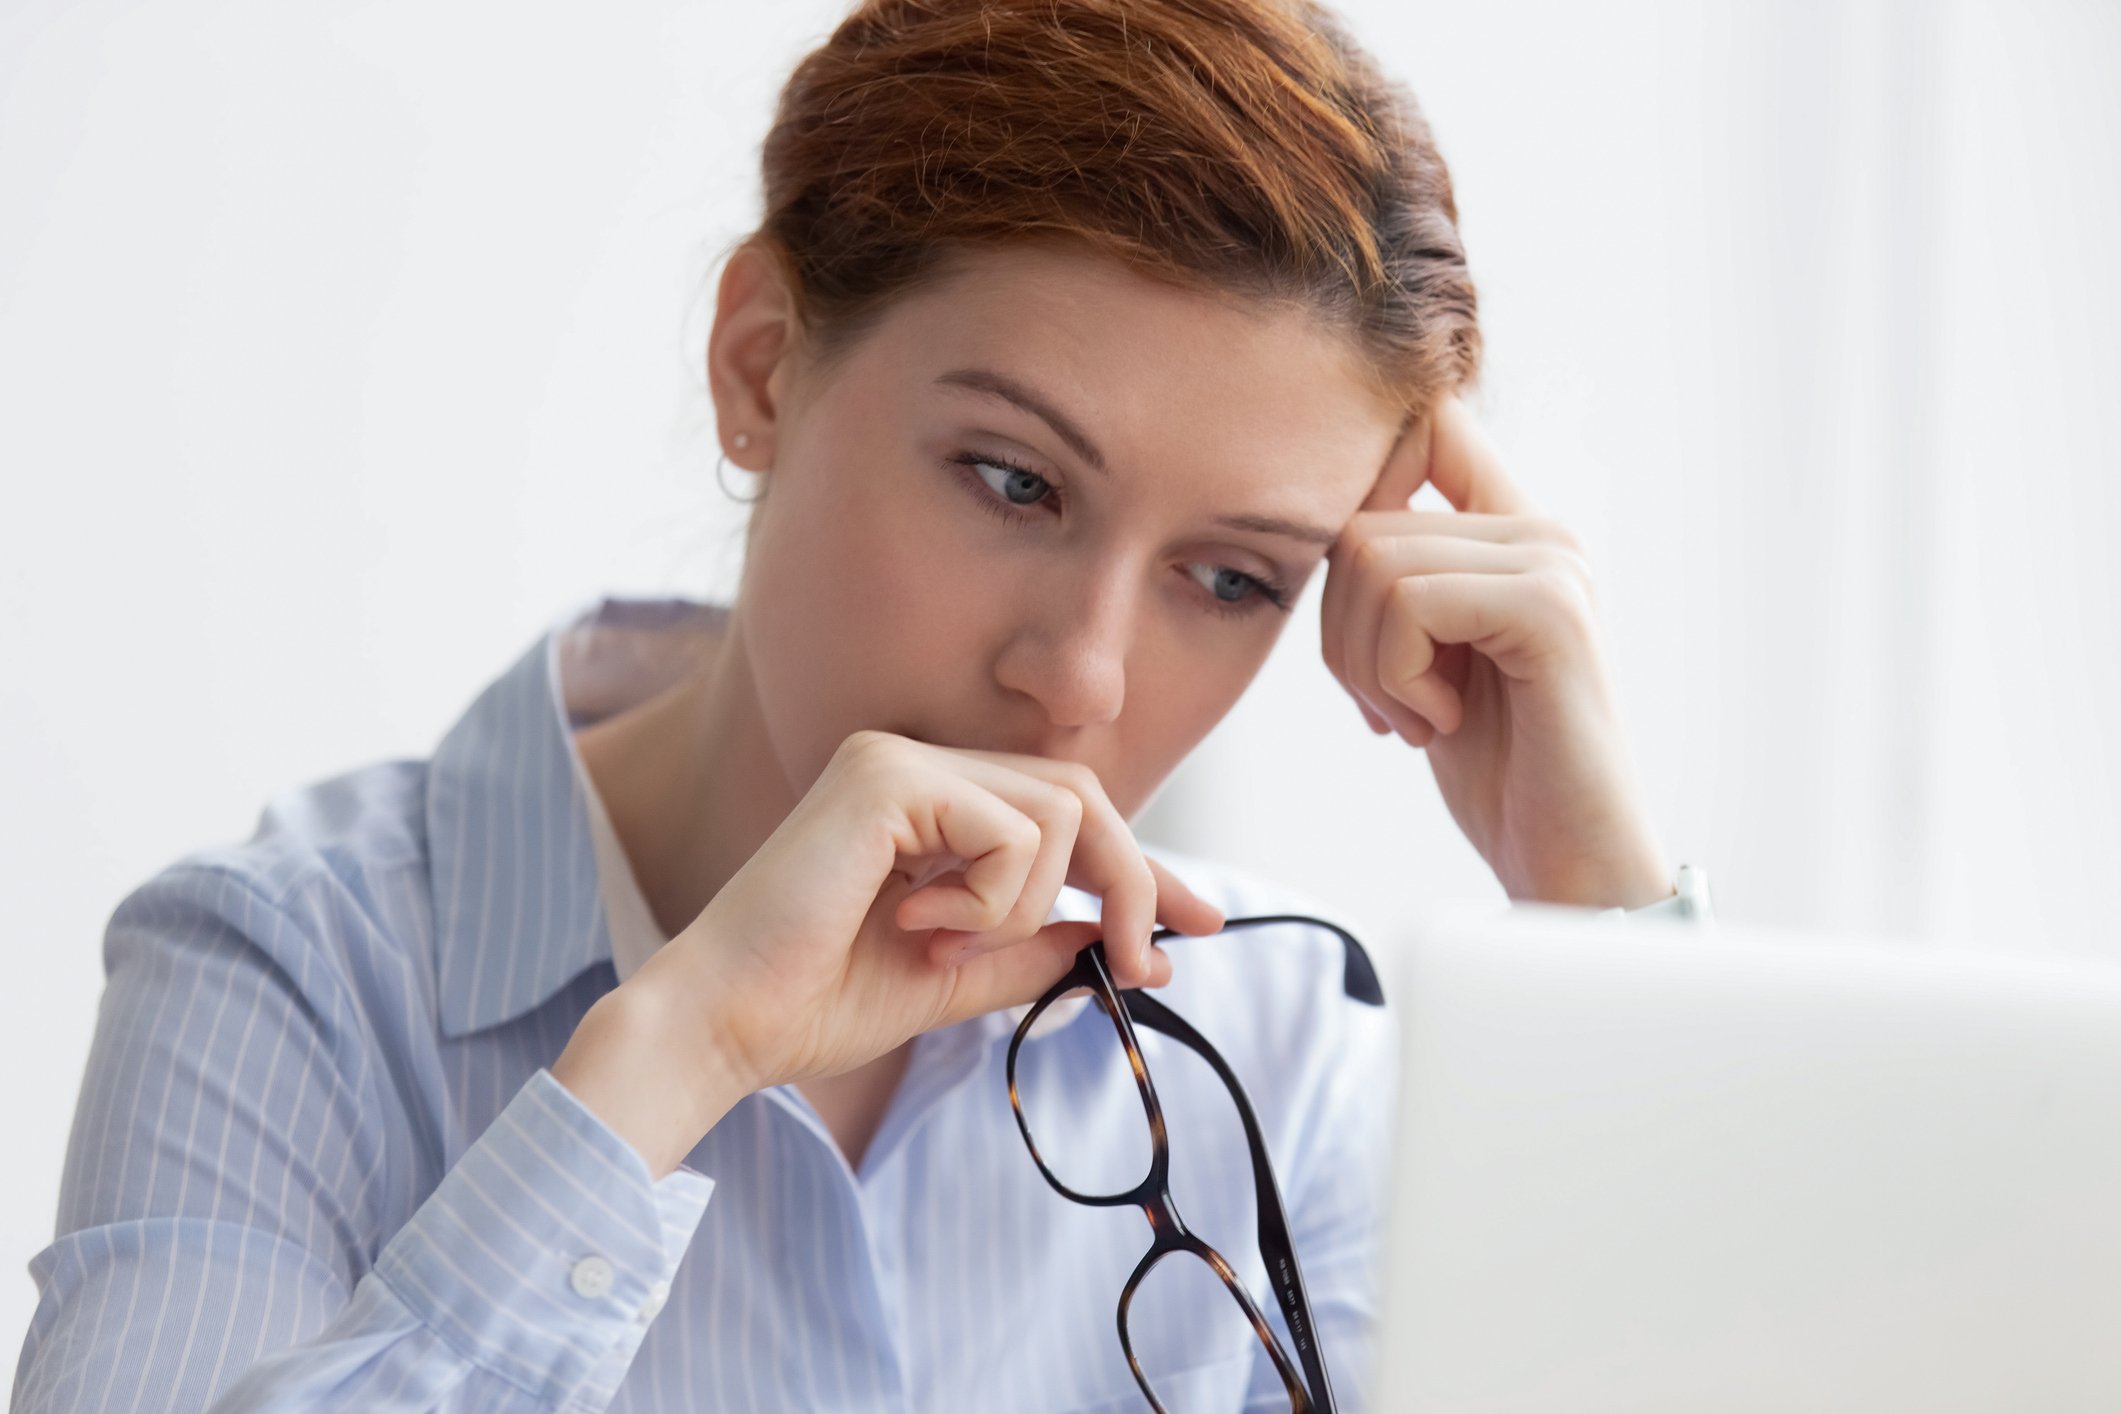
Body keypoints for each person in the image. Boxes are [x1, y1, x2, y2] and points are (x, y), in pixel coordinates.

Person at [11, 0, 1705, 1409]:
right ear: (761, 365)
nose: (1083, 673)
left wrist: (1592, 904)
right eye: (1012, 480)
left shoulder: (1276, 1053)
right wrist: (676, 1056)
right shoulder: (295, 972)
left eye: (1231, 577)